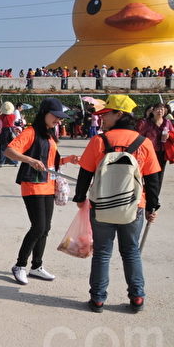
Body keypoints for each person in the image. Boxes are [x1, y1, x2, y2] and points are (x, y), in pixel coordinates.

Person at [72, 94, 161, 313]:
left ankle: (98, 299)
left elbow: (85, 173)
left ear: (119, 114)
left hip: (102, 206)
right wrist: (152, 207)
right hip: (134, 206)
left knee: (102, 252)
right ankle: (137, 297)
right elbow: (152, 179)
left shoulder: (99, 141)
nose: (102, 118)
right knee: (131, 252)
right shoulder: (144, 142)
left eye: (106, 114)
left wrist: (80, 198)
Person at [4, 98, 79, 285]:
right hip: (32, 184)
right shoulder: (31, 132)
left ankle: (36, 266)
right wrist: (30, 160)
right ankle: (20, 265)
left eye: (60, 118)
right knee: (38, 227)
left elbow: (50, 162)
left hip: (48, 184)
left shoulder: (50, 134)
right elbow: (9, 151)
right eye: (55, 116)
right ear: (44, 113)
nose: (58, 120)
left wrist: (68, 159)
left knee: (45, 228)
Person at [136, 103, 173, 194]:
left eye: (162, 109)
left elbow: (173, 133)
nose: (160, 111)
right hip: (149, 153)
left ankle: (155, 196)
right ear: (153, 111)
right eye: (158, 109)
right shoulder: (146, 123)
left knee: (159, 175)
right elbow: (138, 136)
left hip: (162, 152)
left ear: (165, 111)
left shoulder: (167, 122)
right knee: (149, 175)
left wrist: (168, 135)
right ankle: (146, 195)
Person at [0, 102, 18, 167]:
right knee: (12, 147)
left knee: (3, 147)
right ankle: (14, 161)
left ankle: (1, 162)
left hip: (3, 131)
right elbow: (14, 122)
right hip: (11, 130)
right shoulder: (13, 116)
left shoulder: (1, 116)